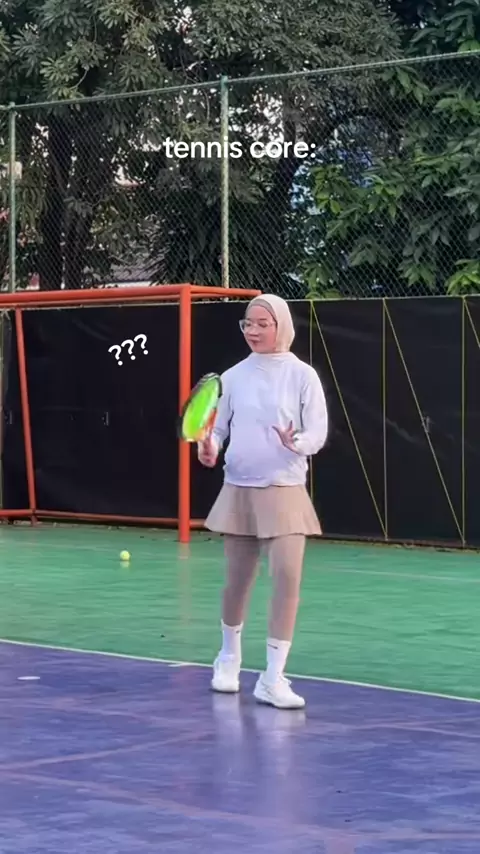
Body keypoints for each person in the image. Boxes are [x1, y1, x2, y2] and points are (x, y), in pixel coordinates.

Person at [197, 294, 328, 709]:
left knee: (287, 578)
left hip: (286, 489)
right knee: (238, 580)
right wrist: (209, 447)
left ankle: (272, 678)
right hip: (239, 488)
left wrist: (297, 442)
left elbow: (317, 432)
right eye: (247, 323)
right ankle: (228, 658)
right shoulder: (233, 377)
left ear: (281, 326)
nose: (252, 331)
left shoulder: (304, 376)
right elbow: (217, 429)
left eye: (261, 323)